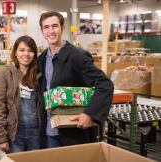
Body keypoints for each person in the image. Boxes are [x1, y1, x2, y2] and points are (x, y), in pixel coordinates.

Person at [38, 11, 114, 148]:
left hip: (73, 130)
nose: (51, 31)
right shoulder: (42, 59)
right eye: (46, 27)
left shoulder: (78, 56)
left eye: (55, 26)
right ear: (42, 31)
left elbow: (105, 84)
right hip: (49, 131)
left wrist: (90, 114)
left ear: (62, 28)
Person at [0, 36, 40, 153]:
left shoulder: (39, 74)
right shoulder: (5, 73)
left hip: (37, 132)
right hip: (15, 133)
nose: (26, 54)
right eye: (22, 50)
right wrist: (1, 137)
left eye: (30, 50)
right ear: (15, 52)